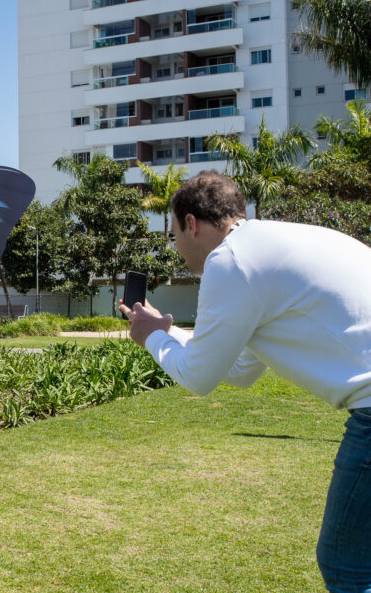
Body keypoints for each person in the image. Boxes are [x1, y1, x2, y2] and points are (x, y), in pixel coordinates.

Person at [119, 171, 371, 592]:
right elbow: (240, 368)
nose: (177, 247)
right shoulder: (278, 246)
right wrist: (168, 330)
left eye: (174, 233)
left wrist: (151, 337)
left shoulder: (230, 261)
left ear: (192, 224)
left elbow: (199, 378)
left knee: (345, 564)